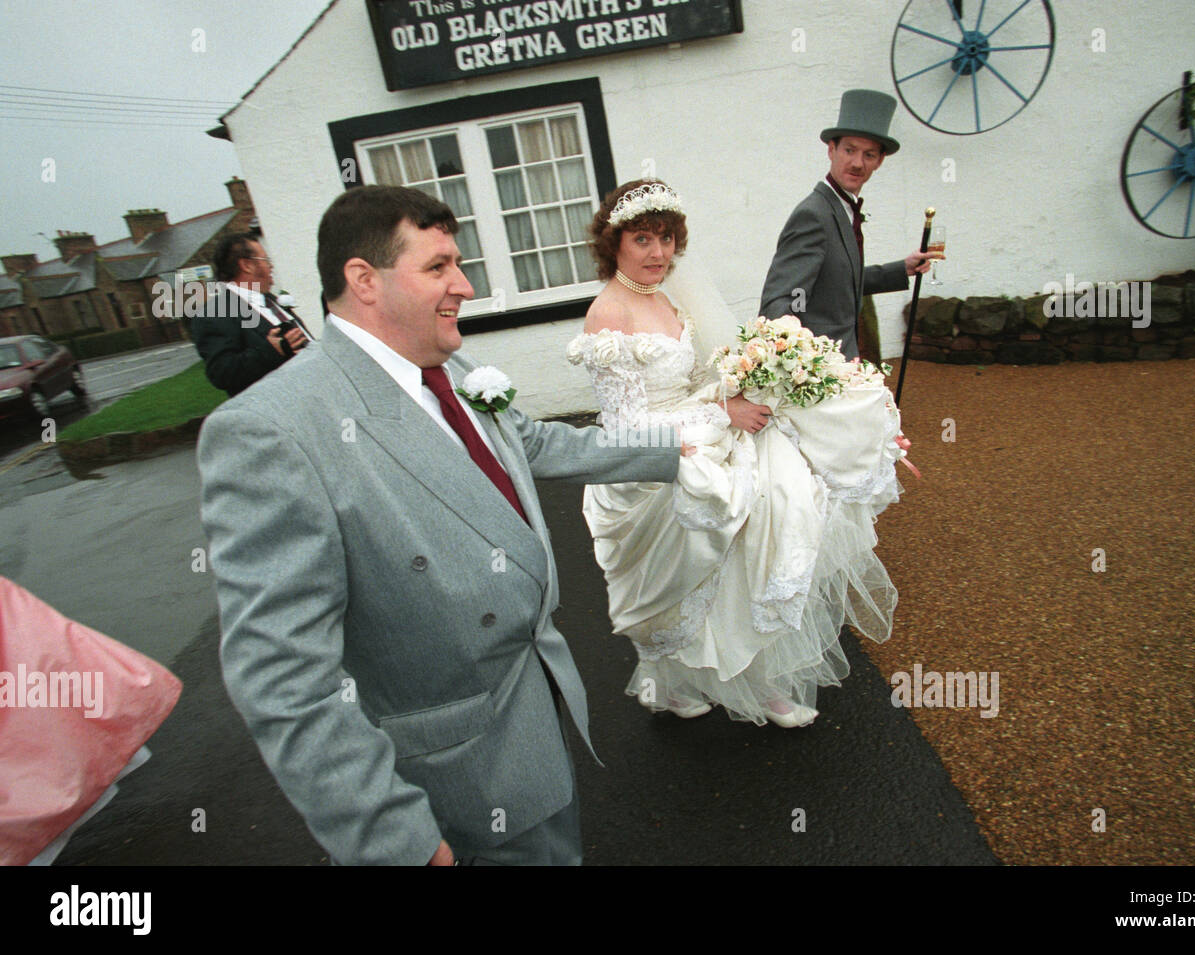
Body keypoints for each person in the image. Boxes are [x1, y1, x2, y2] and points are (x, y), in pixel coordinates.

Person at [197, 186, 681, 865]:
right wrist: (397, 838)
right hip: (454, 787)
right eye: (439, 267)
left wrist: (678, 452)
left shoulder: (449, 361)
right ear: (363, 280)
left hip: (534, 719)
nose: (466, 284)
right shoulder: (268, 431)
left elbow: (534, 445)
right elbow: (283, 679)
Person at [567, 179, 908, 729]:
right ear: (615, 243)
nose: (659, 253)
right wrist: (721, 413)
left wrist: (747, 381)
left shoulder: (665, 296)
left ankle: (752, 676)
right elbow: (629, 427)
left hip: (698, 427)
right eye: (643, 240)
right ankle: (695, 683)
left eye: (667, 239)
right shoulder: (609, 315)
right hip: (653, 459)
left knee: (776, 505)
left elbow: (698, 374)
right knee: (725, 543)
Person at [760, 89, 936, 361]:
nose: (857, 163)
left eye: (869, 154)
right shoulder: (813, 215)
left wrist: (901, 269)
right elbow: (782, 300)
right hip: (822, 369)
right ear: (831, 150)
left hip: (850, 359)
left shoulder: (842, 209)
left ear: (879, 161)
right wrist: (798, 361)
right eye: (849, 150)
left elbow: (837, 280)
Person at [192, 232, 312, 397]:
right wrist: (270, 351)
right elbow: (221, 373)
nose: (271, 266)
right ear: (247, 265)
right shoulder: (215, 314)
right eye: (266, 260)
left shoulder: (272, 301)